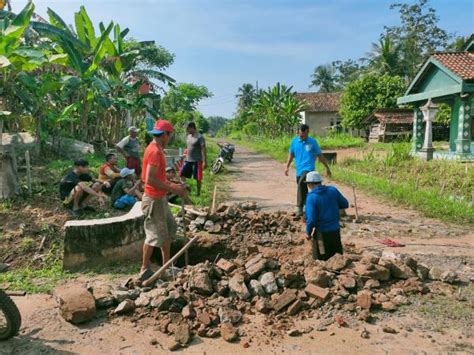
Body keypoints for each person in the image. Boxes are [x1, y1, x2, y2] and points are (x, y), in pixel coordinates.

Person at [140, 119, 188, 282]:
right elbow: (150, 179)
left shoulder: (158, 149)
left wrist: (173, 184)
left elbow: (159, 177)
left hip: (160, 198)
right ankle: (145, 269)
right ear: (165, 134)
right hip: (153, 199)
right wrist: (174, 189)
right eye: (170, 135)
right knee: (154, 236)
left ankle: (166, 265)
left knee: (169, 230)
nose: (170, 138)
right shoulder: (154, 151)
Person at [285, 124, 332, 218]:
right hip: (299, 170)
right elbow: (291, 154)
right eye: (300, 135)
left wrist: (327, 167)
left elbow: (320, 155)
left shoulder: (312, 142)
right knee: (302, 187)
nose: (301, 137)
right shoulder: (294, 142)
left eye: (303, 135)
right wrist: (287, 166)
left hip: (309, 169)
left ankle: (299, 207)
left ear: (307, 132)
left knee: (301, 183)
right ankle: (311, 208)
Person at [305, 171, 349, 261]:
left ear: (310, 184)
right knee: (338, 260)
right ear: (320, 182)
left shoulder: (311, 197)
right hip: (335, 232)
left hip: (322, 234)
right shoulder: (333, 190)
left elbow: (311, 220)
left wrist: (308, 233)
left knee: (321, 260)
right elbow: (345, 204)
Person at [180, 122, 207, 196]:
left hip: (197, 160)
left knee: (198, 178)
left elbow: (203, 149)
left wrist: (205, 161)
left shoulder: (200, 137)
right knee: (182, 174)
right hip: (188, 159)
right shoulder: (188, 136)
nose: (187, 131)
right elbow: (188, 147)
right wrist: (185, 154)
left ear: (192, 128)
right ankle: (184, 190)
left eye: (188, 129)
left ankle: (198, 193)